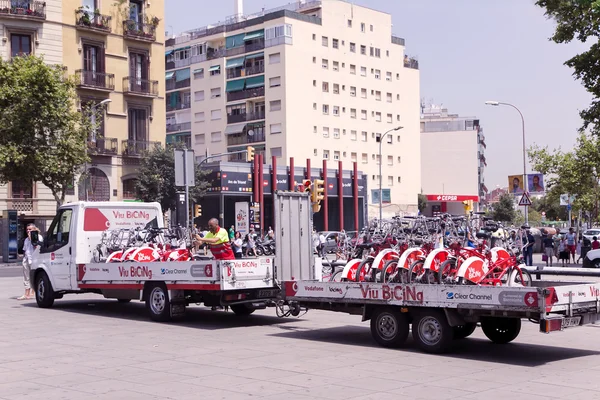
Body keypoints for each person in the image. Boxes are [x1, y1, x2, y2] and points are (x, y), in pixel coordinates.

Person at [19, 224, 42, 300]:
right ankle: (26, 293)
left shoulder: (39, 237)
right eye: (27, 229)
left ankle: (34, 292)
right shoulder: (26, 240)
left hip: (34, 260)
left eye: (30, 229)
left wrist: (32, 238)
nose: (28, 231)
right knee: (26, 277)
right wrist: (23, 259)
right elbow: (25, 250)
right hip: (27, 259)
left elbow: (37, 247)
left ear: (34, 229)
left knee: (33, 277)